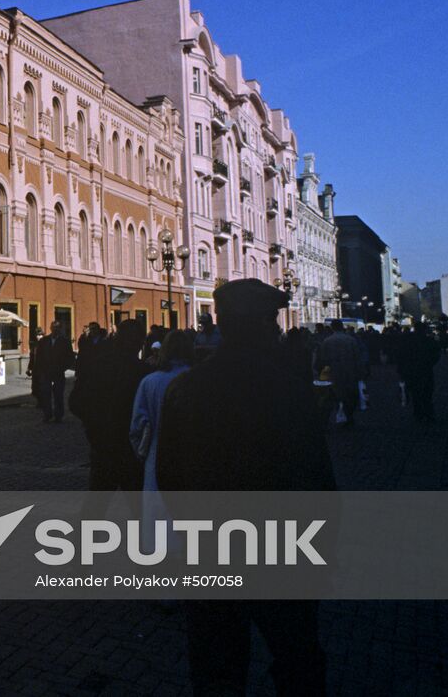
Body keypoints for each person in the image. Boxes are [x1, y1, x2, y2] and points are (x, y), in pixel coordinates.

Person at [156, 278, 335, 695]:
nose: (276, 328)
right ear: (257, 324)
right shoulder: (290, 390)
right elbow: (318, 479)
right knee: (297, 663)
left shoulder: (186, 388)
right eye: (271, 319)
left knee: (216, 668)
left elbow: (168, 476)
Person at [129, 330, 193, 552]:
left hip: (156, 459)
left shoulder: (149, 382)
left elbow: (137, 426)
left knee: (159, 522)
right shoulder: (197, 380)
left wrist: (143, 454)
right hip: (192, 460)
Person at [72, 319, 146, 498]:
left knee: (96, 509)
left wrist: (93, 428)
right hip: (131, 452)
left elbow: (75, 401)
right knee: (141, 512)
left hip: (103, 447)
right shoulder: (143, 372)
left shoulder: (99, 365)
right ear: (139, 343)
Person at [316, 320, 362, 427]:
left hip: (333, 372)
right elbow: (357, 357)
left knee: (330, 398)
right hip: (349, 372)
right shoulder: (350, 340)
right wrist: (360, 372)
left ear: (332, 328)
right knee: (349, 397)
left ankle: (325, 421)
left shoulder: (327, 341)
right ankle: (349, 418)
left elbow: (323, 358)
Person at [35, 320, 75, 423]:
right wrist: (40, 370)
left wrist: (62, 368)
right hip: (46, 373)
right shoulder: (44, 340)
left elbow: (70, 357)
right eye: (53, 327)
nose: (55, 329)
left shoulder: (65, 341)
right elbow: (39, 357)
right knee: (46, 395)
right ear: (50, 328)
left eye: (57, 327)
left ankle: (58, 416)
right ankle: (47, 415)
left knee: (58, 395)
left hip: (58, 373)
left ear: (60, 329)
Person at [400, 324, 442, 422]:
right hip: (425, 369)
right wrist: (430, 363)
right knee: (427, 393)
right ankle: (428, 413)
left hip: (413, 370)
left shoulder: (408, 341)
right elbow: (436, 354)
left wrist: (403, 369)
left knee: (416, 393)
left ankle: (418, 413)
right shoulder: (428, 341)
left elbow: (402, 355)